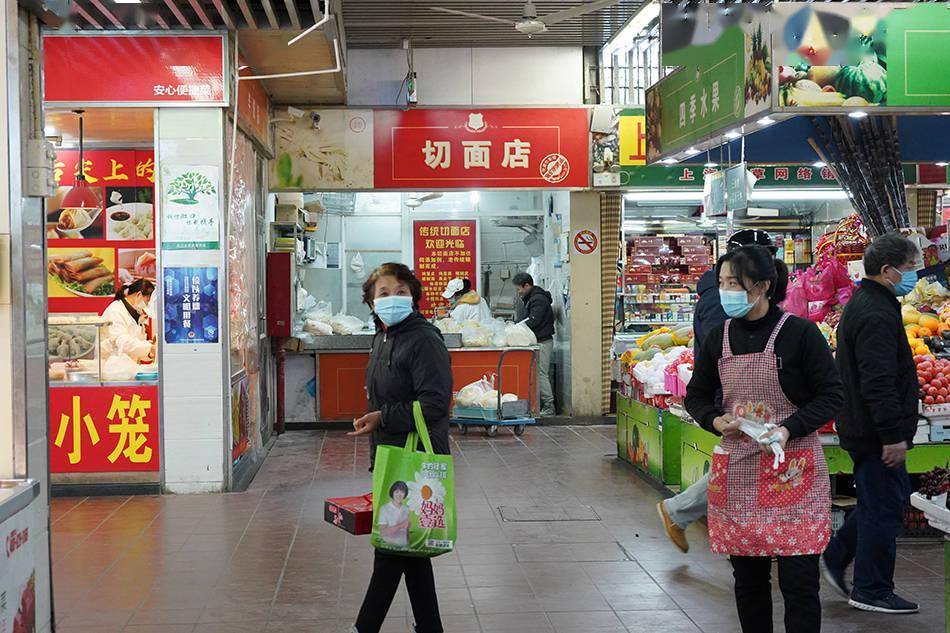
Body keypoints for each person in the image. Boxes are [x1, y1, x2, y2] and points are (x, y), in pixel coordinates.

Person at [684, 245, 843, 633]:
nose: (725, 292)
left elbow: (832, 395)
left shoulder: (800, 334)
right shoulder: (717, 338)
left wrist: (790, 427)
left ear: (763, 286)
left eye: (734, 284)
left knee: (799, 581)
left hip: (795, 469)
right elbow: (696, 395)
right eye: (721, 283)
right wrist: (716, 420)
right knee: (749, 580)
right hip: (739, 470)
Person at [349, 262, 452, 633]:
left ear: (414, 296)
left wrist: (382, 417)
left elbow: (436, 404)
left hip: (416, 460)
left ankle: (364, 627)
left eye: (401, 292)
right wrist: (380, 420)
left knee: (391, 548)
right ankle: (430, 627)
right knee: (410, 552)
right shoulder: (383, 336)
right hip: (391, 454)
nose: (393, 299)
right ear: (371, 302)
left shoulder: (423, 339)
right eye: (384, 293)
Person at [658, 229, 776, 553]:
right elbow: (720, 351)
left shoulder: (737, 295)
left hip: (746, 397)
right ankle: (684, 512)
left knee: (740, 463)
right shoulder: (719, 300)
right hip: (732, 398)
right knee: (738, 463)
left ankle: (680, 512)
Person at [822, 233, 921, 615]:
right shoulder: (876, 312)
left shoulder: (871, 302)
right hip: (875, 432)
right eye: (910, 268)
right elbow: (877, 380)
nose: (912, 275)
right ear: (887, 270)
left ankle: (837, 554)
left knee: (883, 501)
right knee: (883, 509)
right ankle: (871, 589)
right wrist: (892, 436)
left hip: (866, 427)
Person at [513, 272, 556, 417]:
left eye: (519, 289)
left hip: (543, 342)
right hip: (539, 341)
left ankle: (549, 407)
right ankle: (541, 405)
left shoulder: (538, 299)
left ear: (527, 285)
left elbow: (533, 320)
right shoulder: (532, 297)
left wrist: (516, 329)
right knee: (539, 374)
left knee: (541, 374)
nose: (518, 292)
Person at [101, 279, 156, 363]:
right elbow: (121, 340)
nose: (148, 305)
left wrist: (149, 352)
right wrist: (149, 347)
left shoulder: (137, 313)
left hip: (127, 367)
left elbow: (135, 344)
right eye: (147, 301)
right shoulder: (115, 310)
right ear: (139, 295)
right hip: (111, 365)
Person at [377, 481, 410, 547]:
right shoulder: (384, 508)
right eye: (397, 492)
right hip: (388, 546)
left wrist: (408, 544)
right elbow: (383, 532)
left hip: (403, 546)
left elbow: (407, 531)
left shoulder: (406, 509)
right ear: (392, 493)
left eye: (402, 492)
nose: (399, 495)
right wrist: (401, 525)